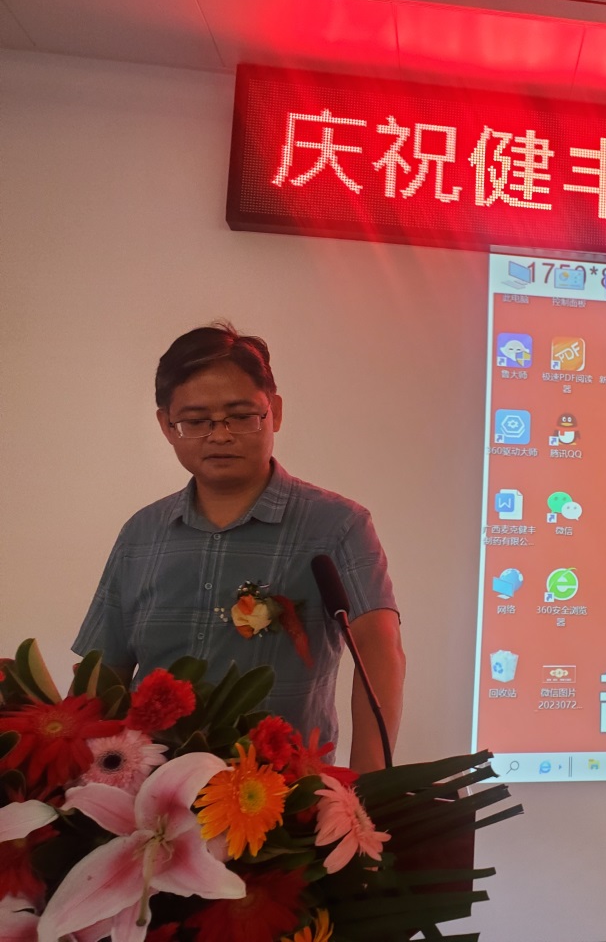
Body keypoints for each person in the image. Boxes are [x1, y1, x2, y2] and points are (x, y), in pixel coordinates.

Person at [74, 323, 406, 772]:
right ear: (166, 425)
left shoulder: (337, 525)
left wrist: (369, 788)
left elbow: (379, 651)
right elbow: (103, 674)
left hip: (284, 797)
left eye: (241, 415)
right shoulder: (141, 534)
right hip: (147, 790)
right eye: (196, 421)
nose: (220, 435)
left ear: (275, 412)